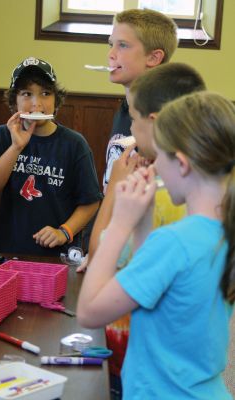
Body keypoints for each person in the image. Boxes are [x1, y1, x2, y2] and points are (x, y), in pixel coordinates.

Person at [77, 90, 235, 399]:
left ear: (182, 163)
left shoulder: (174, 241)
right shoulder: (220, 234)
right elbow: (153, 283)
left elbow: (89, 310)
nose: (156, 166)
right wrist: (143, 220)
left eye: (160, 156)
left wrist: (121, 223)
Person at [0, 57, 102, 256]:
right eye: (27, 94)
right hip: (10, 250)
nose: (37, 103)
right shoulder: (1, 137)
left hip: (58, 255)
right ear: (14, 101)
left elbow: (91, 201)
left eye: (45, 93)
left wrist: (64, 232)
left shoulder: (75, 144)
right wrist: (16, 147)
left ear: (56, 99)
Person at [103, 8, 178, 193]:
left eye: (123, 45)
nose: (111, 54)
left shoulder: (163, 121)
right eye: (111, 44)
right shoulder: (125, 108)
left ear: (153, 57)